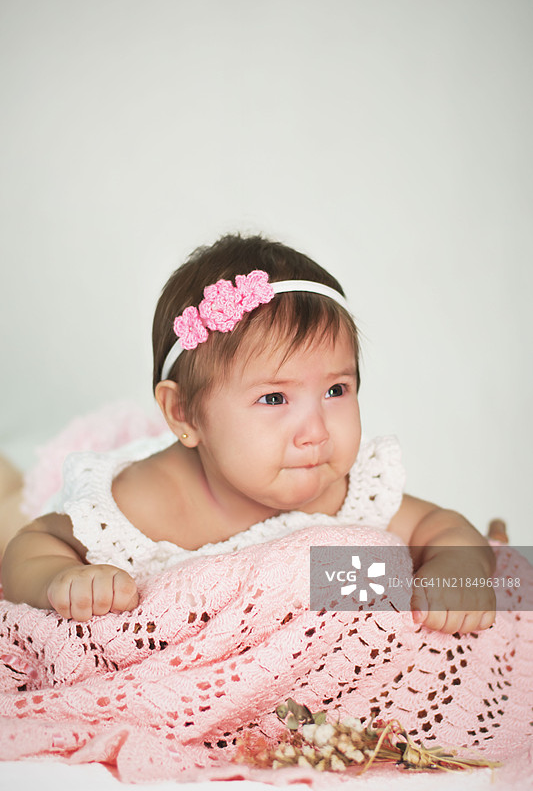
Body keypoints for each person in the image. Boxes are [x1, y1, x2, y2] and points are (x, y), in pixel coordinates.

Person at [1, 233, 496, 632]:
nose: (316, 431)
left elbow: (443, 527)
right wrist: (60, 578)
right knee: (12, 505)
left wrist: (462, 571)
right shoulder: (142, 500)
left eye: (336, 390)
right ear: (184, 415)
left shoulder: (344, 492)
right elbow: (31, 544)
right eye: (275, 398)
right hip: (68, 487)